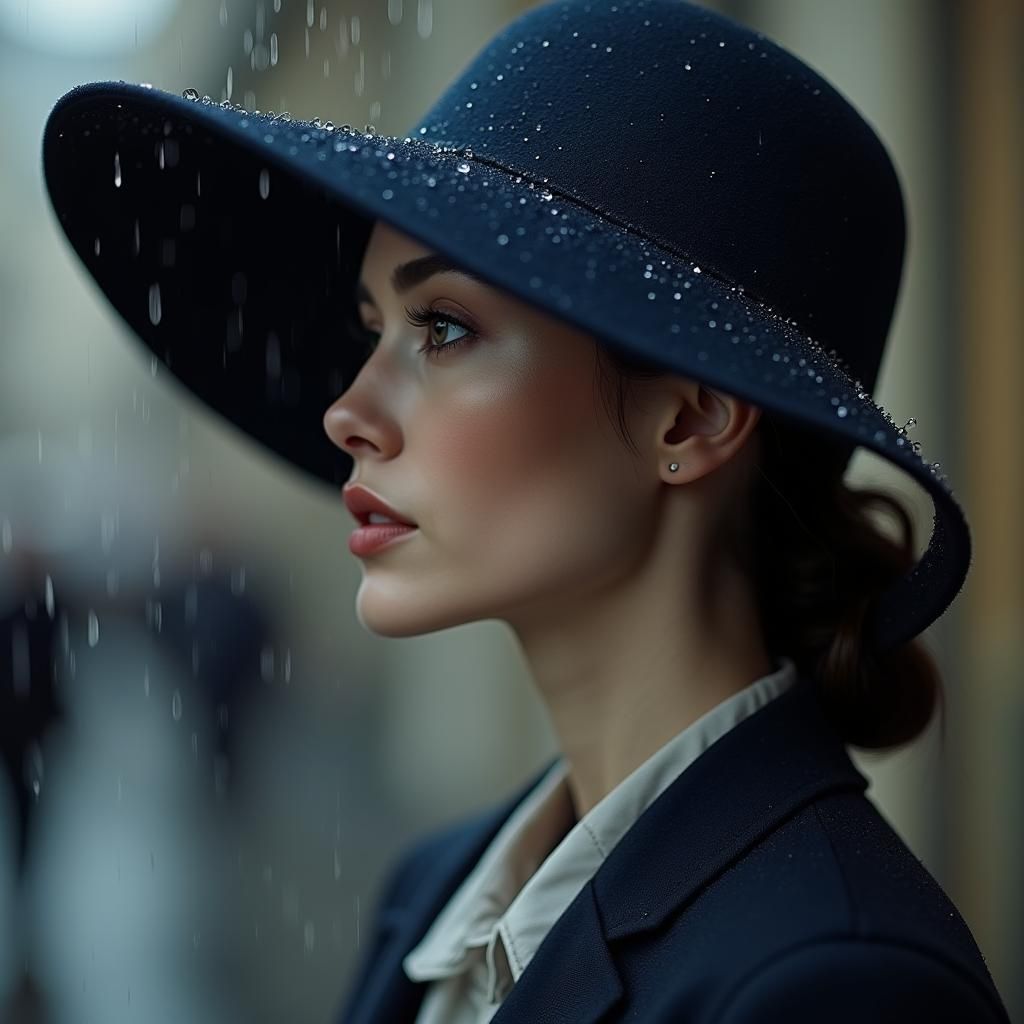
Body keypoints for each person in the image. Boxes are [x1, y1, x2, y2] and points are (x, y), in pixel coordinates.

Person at [39, 0, 1011, 1020]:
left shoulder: (835, 983)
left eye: (444, 328)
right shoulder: (436, 897)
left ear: (687, 420)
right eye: (374, 329)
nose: (346, 413)